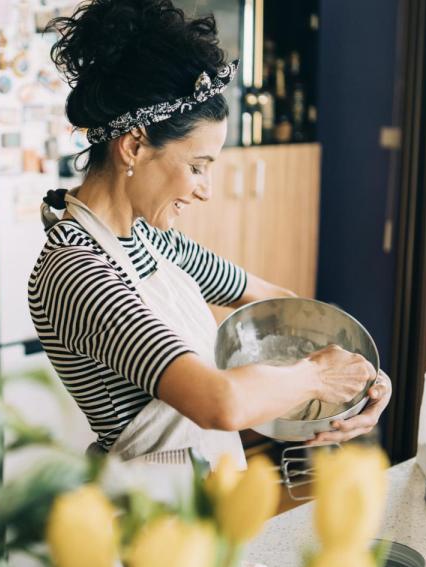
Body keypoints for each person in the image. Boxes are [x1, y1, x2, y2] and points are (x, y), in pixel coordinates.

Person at [29, 0, 392, 470]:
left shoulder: (154, 241)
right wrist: (318, 375)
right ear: (134, 145)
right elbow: (219, 402)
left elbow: (280, 308)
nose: (206, 191)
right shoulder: (75, 270)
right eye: (197, 167)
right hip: (145, 519)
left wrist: (362, 378)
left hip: (205, 503)